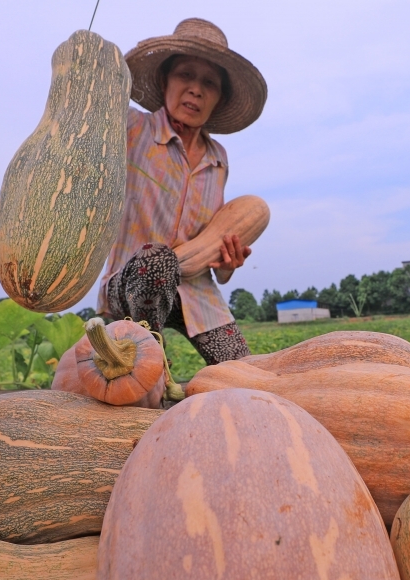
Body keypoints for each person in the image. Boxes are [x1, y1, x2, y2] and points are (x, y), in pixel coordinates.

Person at [96, 18, 267, 364]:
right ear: (165, 79)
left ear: (219, 98)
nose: (196, 89)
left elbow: (212, 250)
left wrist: (227, 264)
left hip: (197, 294)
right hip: (131, 286)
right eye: (186, 75)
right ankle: (144, 361)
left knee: (244, 375)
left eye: (209, 83)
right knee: (157, 260)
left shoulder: (219, 159)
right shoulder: (130, 127)